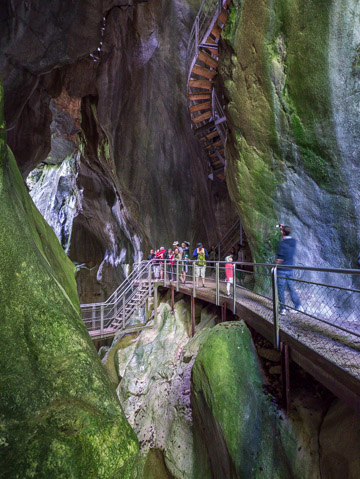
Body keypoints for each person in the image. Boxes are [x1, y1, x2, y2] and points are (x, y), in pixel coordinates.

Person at [276, 225, 303, 315]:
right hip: (290, 269)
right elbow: (286, 235)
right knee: (291, 288)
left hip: (282, 270)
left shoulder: (282, 244)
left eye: (281, 231)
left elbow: (279, 260)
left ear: (282, 232)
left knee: (281, 289)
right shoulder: (293, 242)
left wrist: (274, 264)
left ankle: (283, 309)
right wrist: (283, 228)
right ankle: (298, 306)